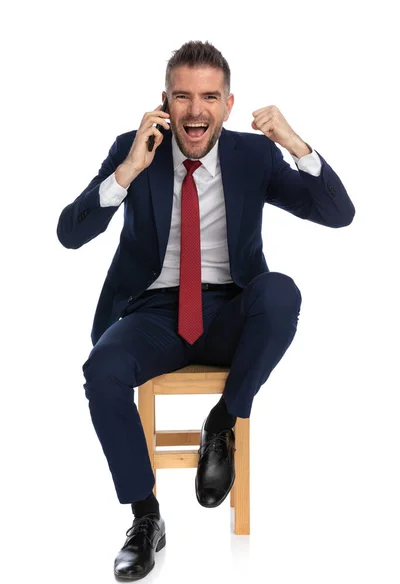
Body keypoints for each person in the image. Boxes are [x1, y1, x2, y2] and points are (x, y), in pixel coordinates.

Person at [56, 40, 355, 580]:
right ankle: (145, 518)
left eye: (209, 97)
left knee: (281, 291)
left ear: (228, 104)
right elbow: (69, 235)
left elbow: (338, 214)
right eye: (183, 97)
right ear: (164, 103)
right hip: (153, 316)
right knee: (101, 372)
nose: (196, 110)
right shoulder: (134, 148)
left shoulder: (253, 155)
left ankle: (222, 421)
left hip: (229, 310)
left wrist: (294, 144)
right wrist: (126, 172)